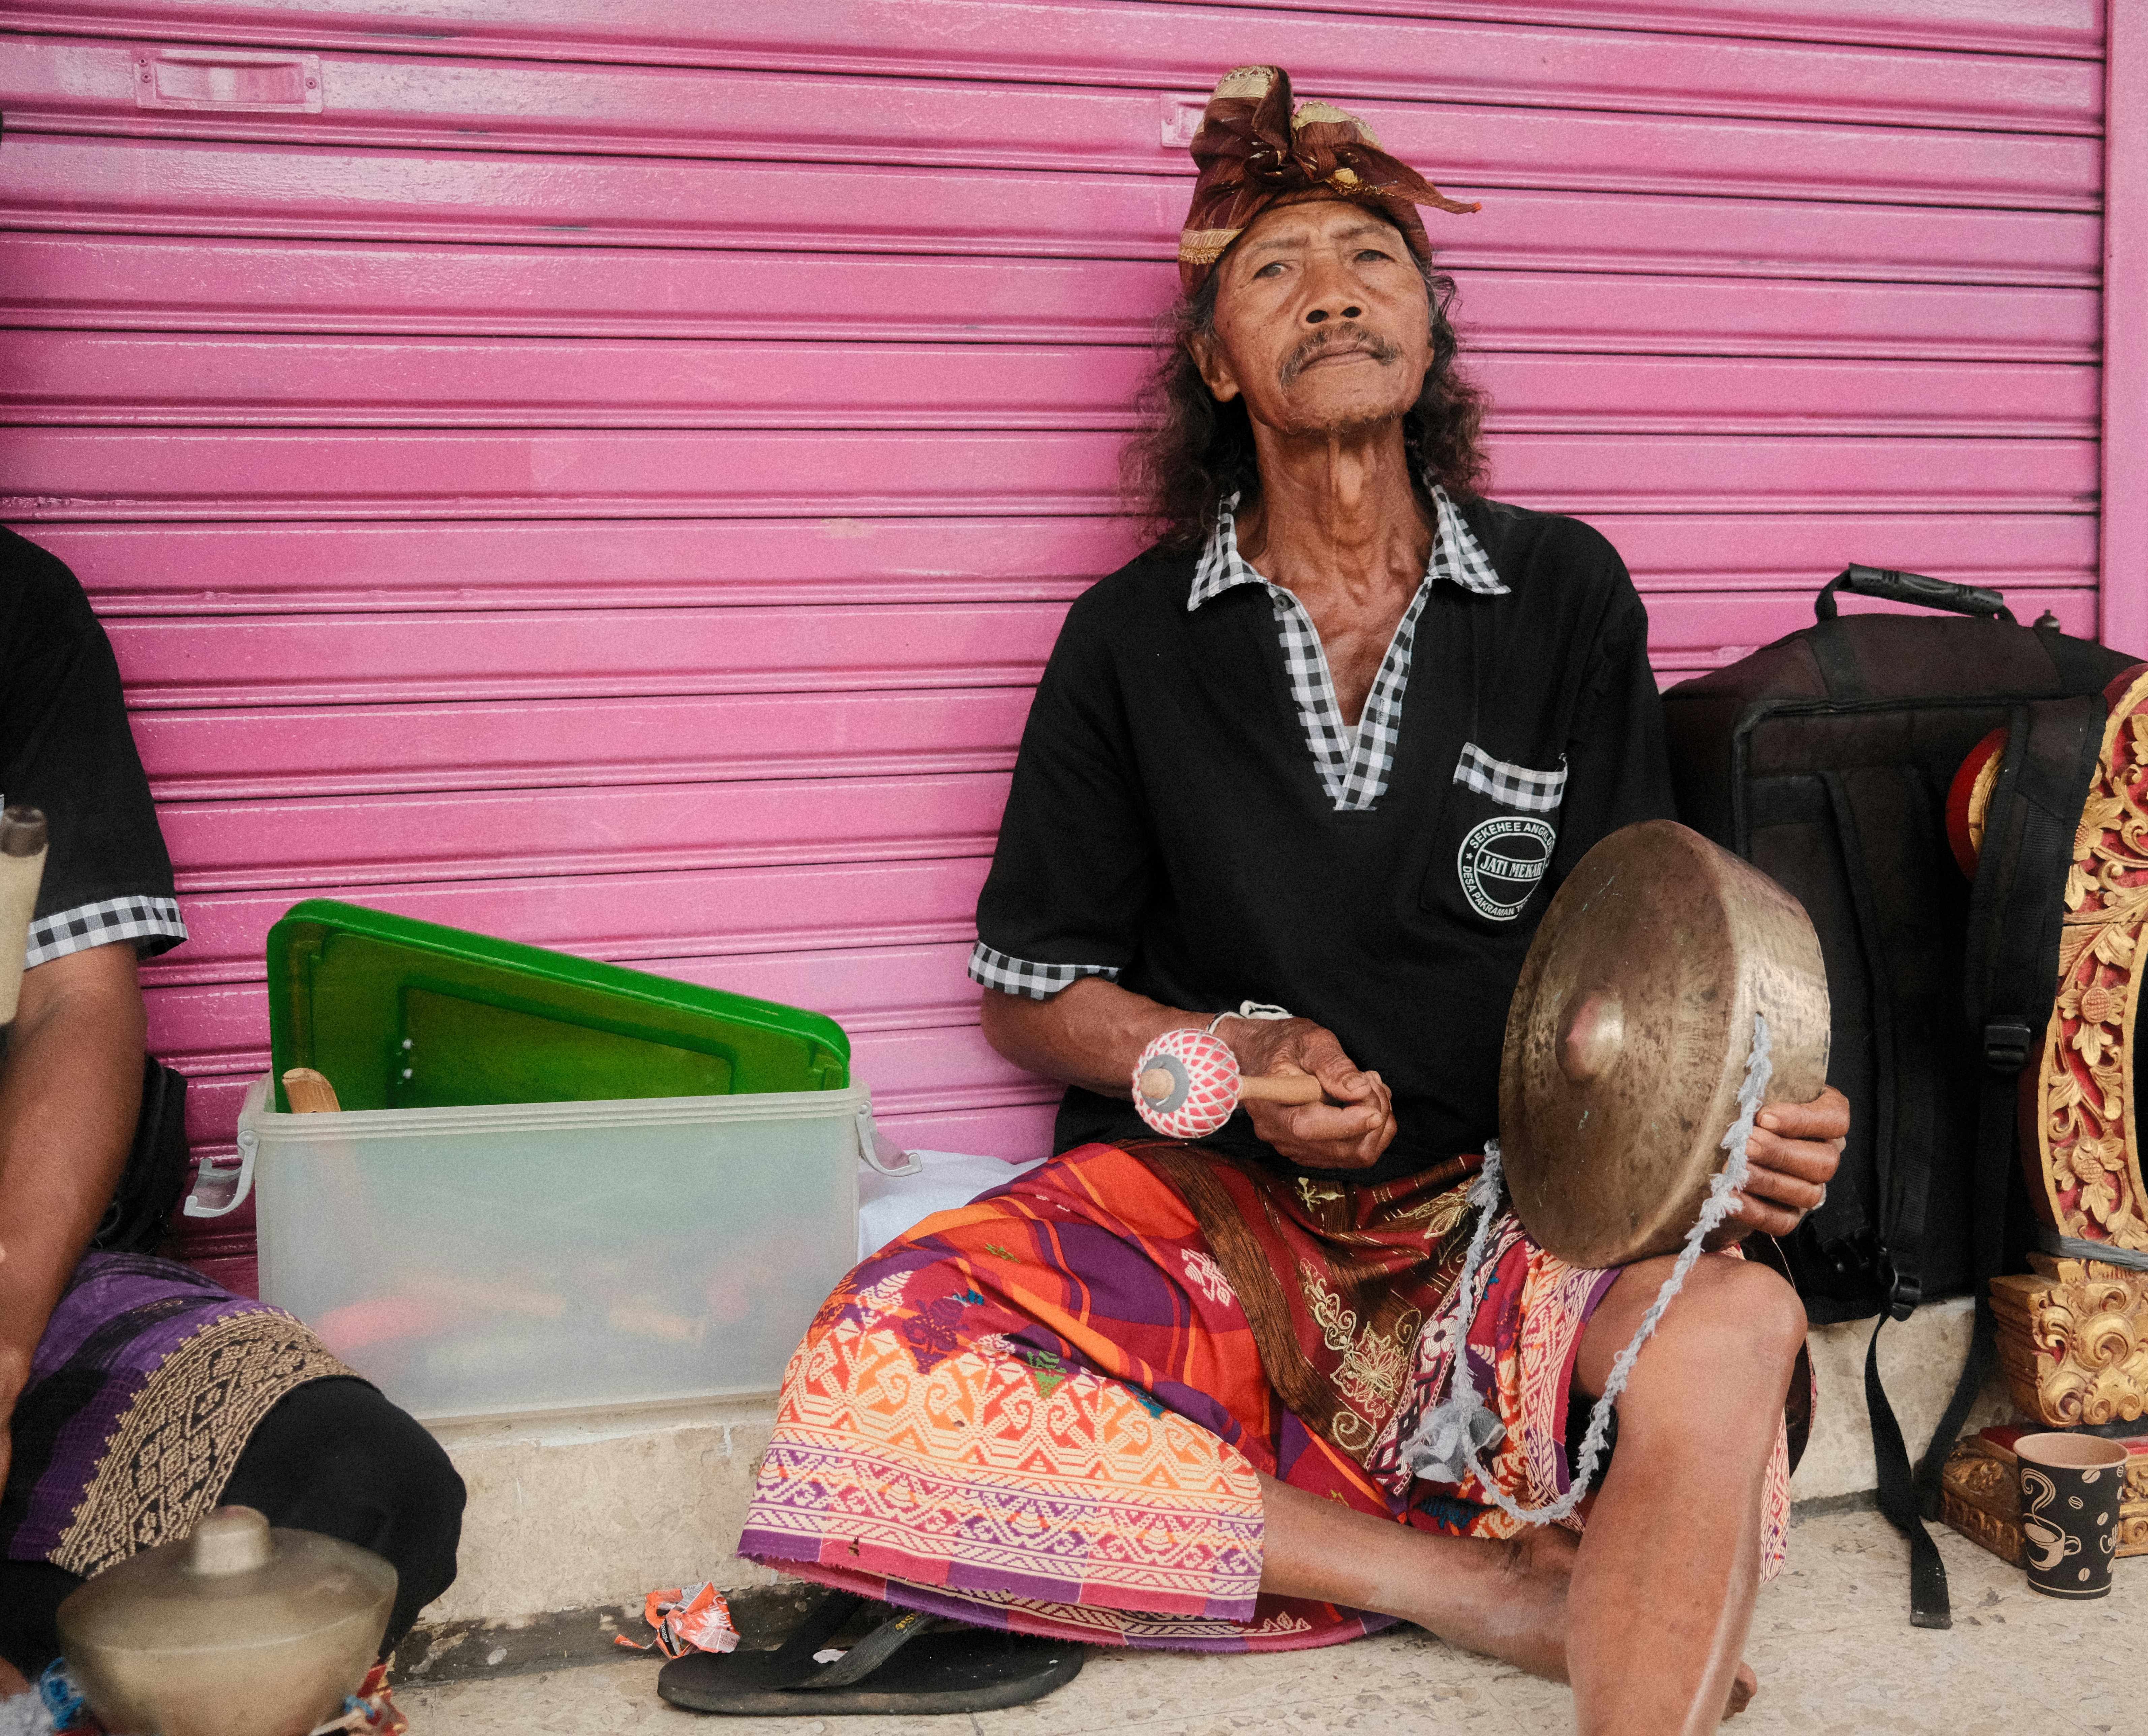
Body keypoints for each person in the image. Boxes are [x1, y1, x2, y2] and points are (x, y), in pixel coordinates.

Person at [722, 67, 1847, 1729]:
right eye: (1276, 270)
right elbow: (1029, 986)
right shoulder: (1130, 638)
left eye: (1374, 260)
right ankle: (1476, 1584)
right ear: (1215, 360)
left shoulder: (1561, 593)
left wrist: (1738, 1131)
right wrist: (1215, 1056)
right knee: (880, 1364)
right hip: (1215, 1222)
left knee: (1739, 1327)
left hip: (1498, 1221)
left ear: (1430, 333)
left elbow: (1652, 957)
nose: (1332, 288)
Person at [0, 527, 465, 1707]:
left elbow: (71, 998)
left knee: (354, 1493)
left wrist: (3, 1340)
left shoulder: (14, 610)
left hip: (21, 1260)